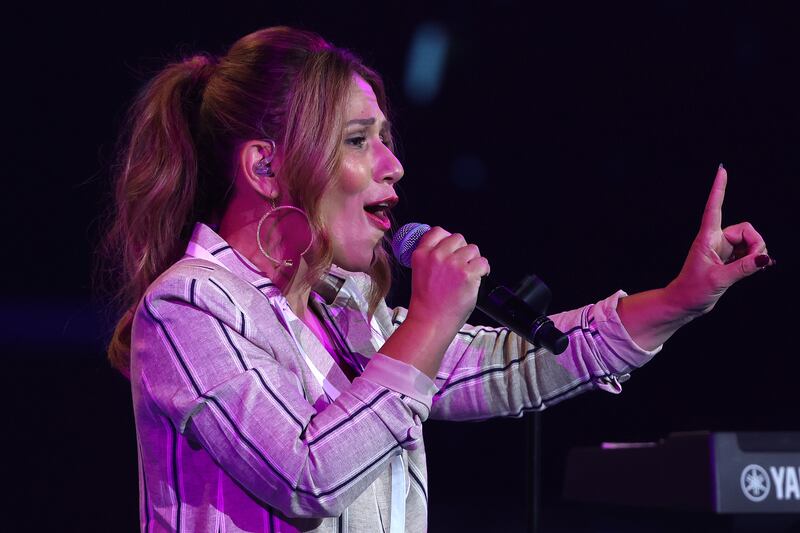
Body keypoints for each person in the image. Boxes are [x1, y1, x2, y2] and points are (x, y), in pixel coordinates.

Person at [100, 26, 772, 533]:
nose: (394, 164)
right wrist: (425, 321)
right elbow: (302, 475)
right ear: (265, 169)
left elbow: (514, 365)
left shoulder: (344, 315)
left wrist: (680, 299)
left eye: (386, 138)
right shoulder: (191, 304)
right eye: (359, 140)